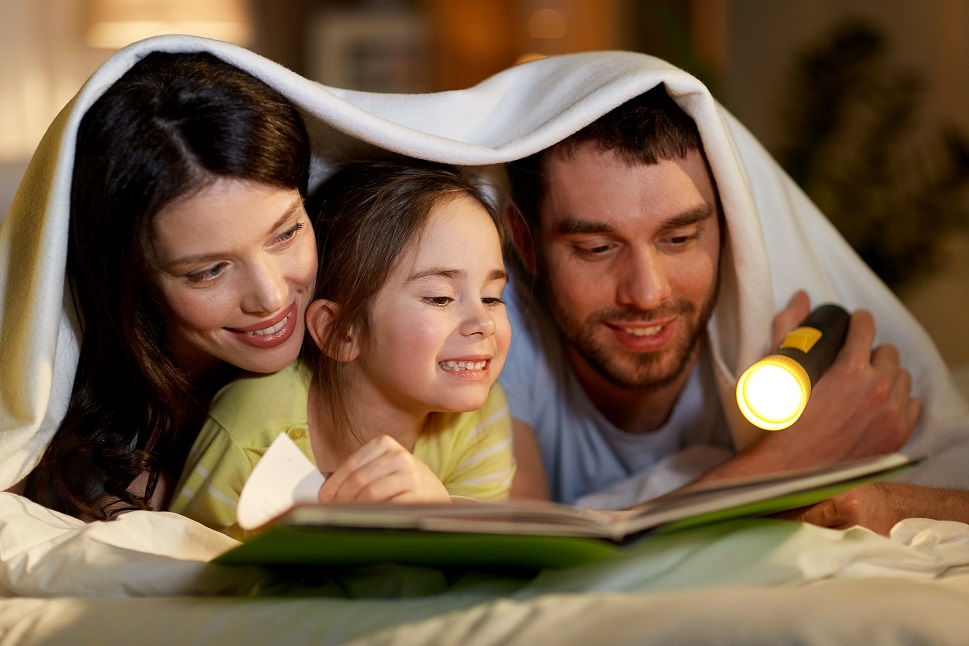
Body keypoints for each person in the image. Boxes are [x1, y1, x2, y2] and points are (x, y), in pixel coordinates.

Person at [501, 86, 923, 510]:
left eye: (679, 239)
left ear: (728, 225)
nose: (647, 294)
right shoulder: (487, 323)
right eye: (597, 248)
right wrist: (786, 462)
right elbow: (516, 548)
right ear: (526, 243)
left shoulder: (786, 325)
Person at [18, 50, 317, 520]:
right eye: (208, 271)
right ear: (133, 277)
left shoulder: (370, 311)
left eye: (286, 233)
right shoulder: (85, 442)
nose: (273, 297)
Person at [169, 160, 515, 539]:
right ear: (340, 332)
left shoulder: (480, 417)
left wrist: (438, 517)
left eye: (492, 297)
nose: (484, 322)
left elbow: (479, 572)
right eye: (440, 298)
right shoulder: (253, 431)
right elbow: (179, 570)